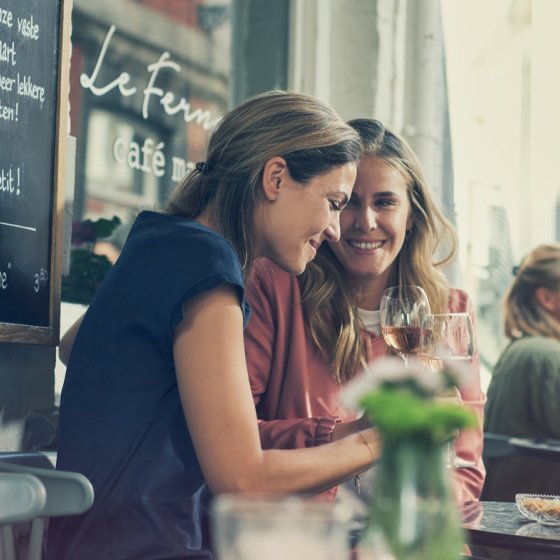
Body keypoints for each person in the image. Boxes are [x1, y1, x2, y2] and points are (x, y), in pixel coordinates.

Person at [47, 91, 381, 560]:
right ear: (276, 177)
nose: (335, 230)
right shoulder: (207, 264)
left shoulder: (162, 240)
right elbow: (242, 479)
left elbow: (72, 346)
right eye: (333, 202)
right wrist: (376, 442)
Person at [244, 118, 485, 504]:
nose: (365, 222)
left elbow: (464, 466)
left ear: (412, 215)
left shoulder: (450, 311)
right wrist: (353, 434)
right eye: (347, 203)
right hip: (308, 532)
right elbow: (238, 441)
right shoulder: (275, 286)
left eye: (385, 202)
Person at [483, 243, 560, 500]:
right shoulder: (548, 355)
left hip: (509, 512)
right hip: (538, 520)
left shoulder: (523, 349)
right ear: (546, 298)